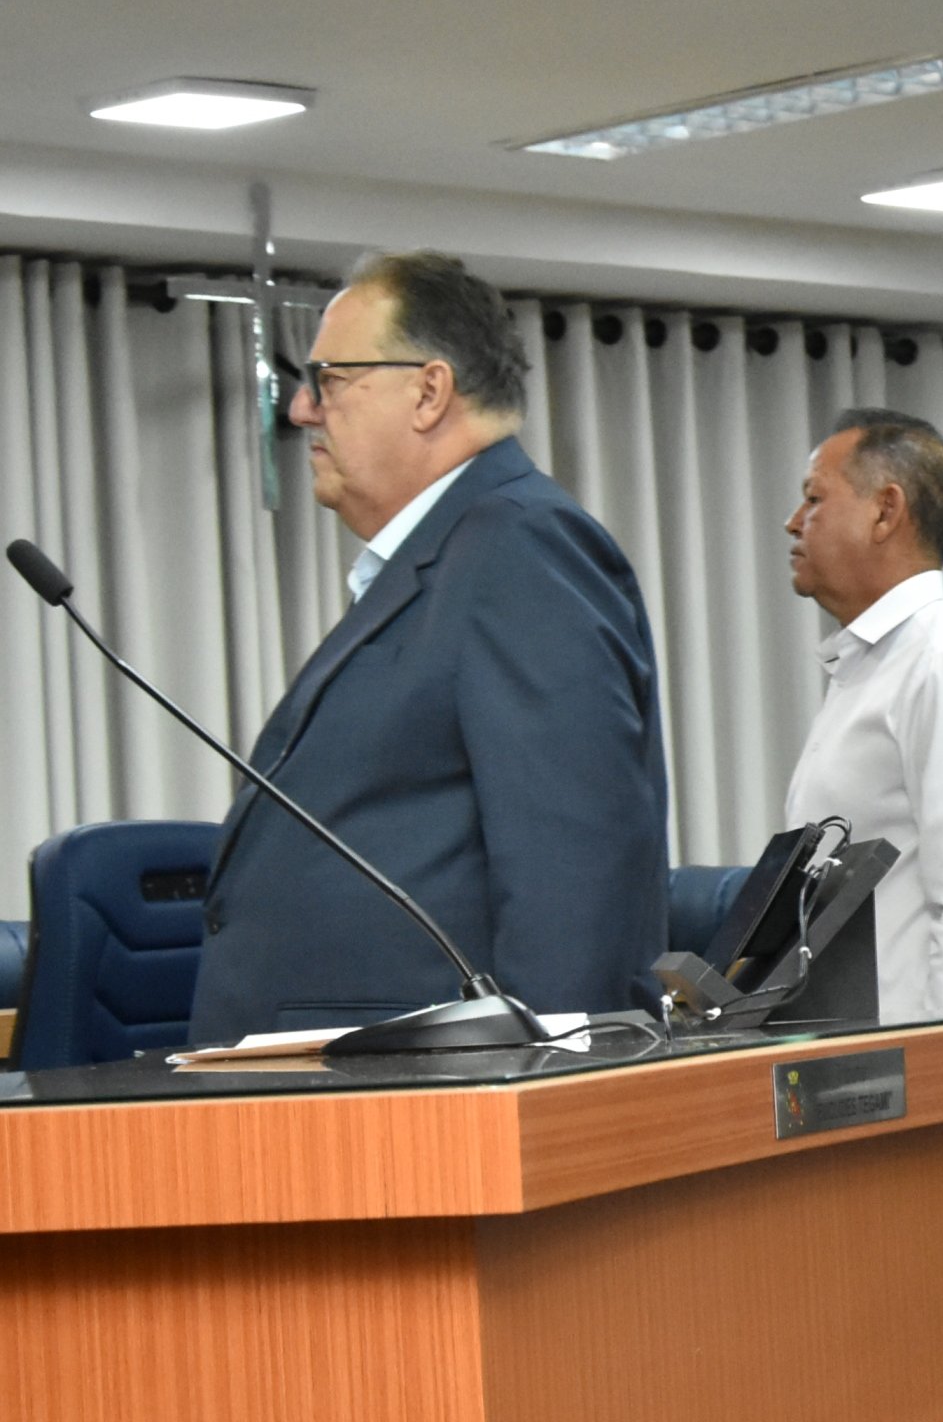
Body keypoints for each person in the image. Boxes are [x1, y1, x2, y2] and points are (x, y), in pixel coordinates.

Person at [188, 251, 666, 1045]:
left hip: (428, 1080)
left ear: (428, 391)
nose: (302, 409)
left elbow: (574, 866)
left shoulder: (521, 547)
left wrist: (551, 1076)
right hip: (348, 1074)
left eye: (328, 380)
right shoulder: (449, 556)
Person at [779, 408, 943, 1023]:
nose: (793, 522)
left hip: (915, 1062)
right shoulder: (874, 664)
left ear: (886, 511)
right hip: (855, 1053)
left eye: (814, 499)